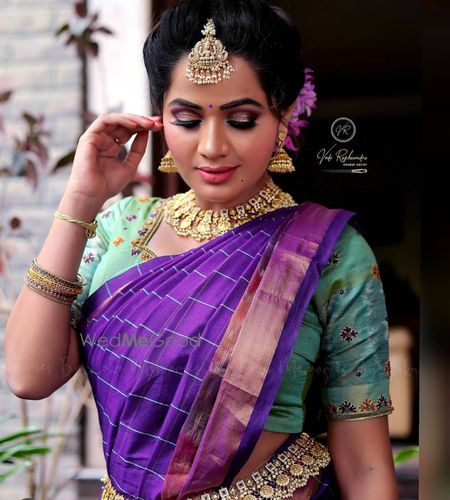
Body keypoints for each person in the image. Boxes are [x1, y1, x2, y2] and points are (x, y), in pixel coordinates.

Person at [4, 1, 398, 498]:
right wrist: (80, 199)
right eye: (188, 119)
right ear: (160, 118)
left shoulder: (328, 251)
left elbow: (365, 465)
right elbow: (29, 376)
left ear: (283, 114)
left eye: (241, 119)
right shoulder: (121, 229)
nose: (212, 146)